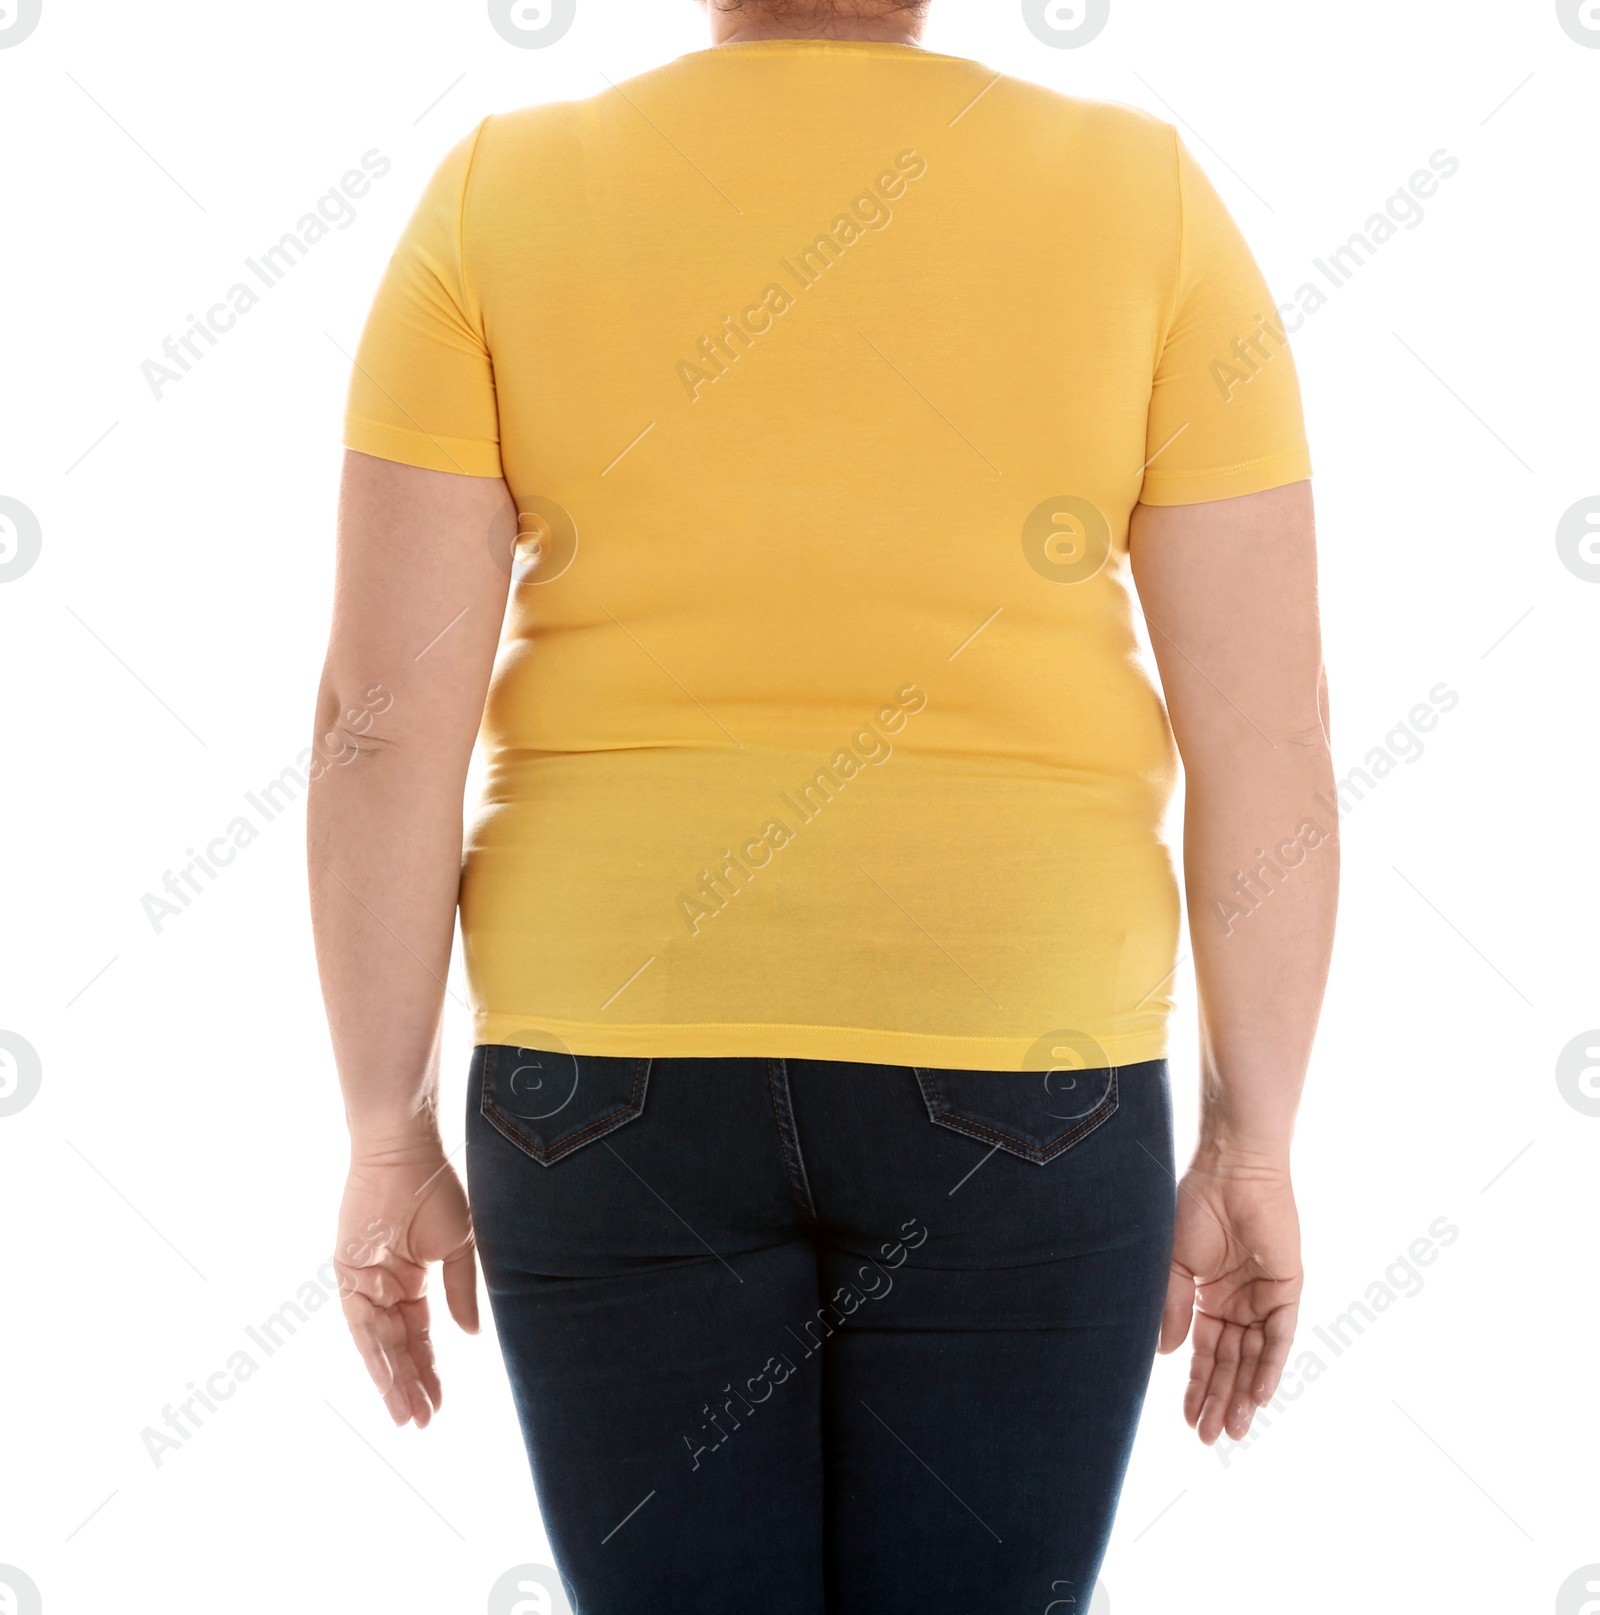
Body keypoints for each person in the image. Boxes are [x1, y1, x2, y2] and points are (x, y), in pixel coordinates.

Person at [306, 0, 1337, 1608]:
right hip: (1026, 1063)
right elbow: (1269, 732)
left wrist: (387, 1125)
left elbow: (379, 728)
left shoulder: (500, 195)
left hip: (606, 1069)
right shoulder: (1145, 198)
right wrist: (1253, 1140)